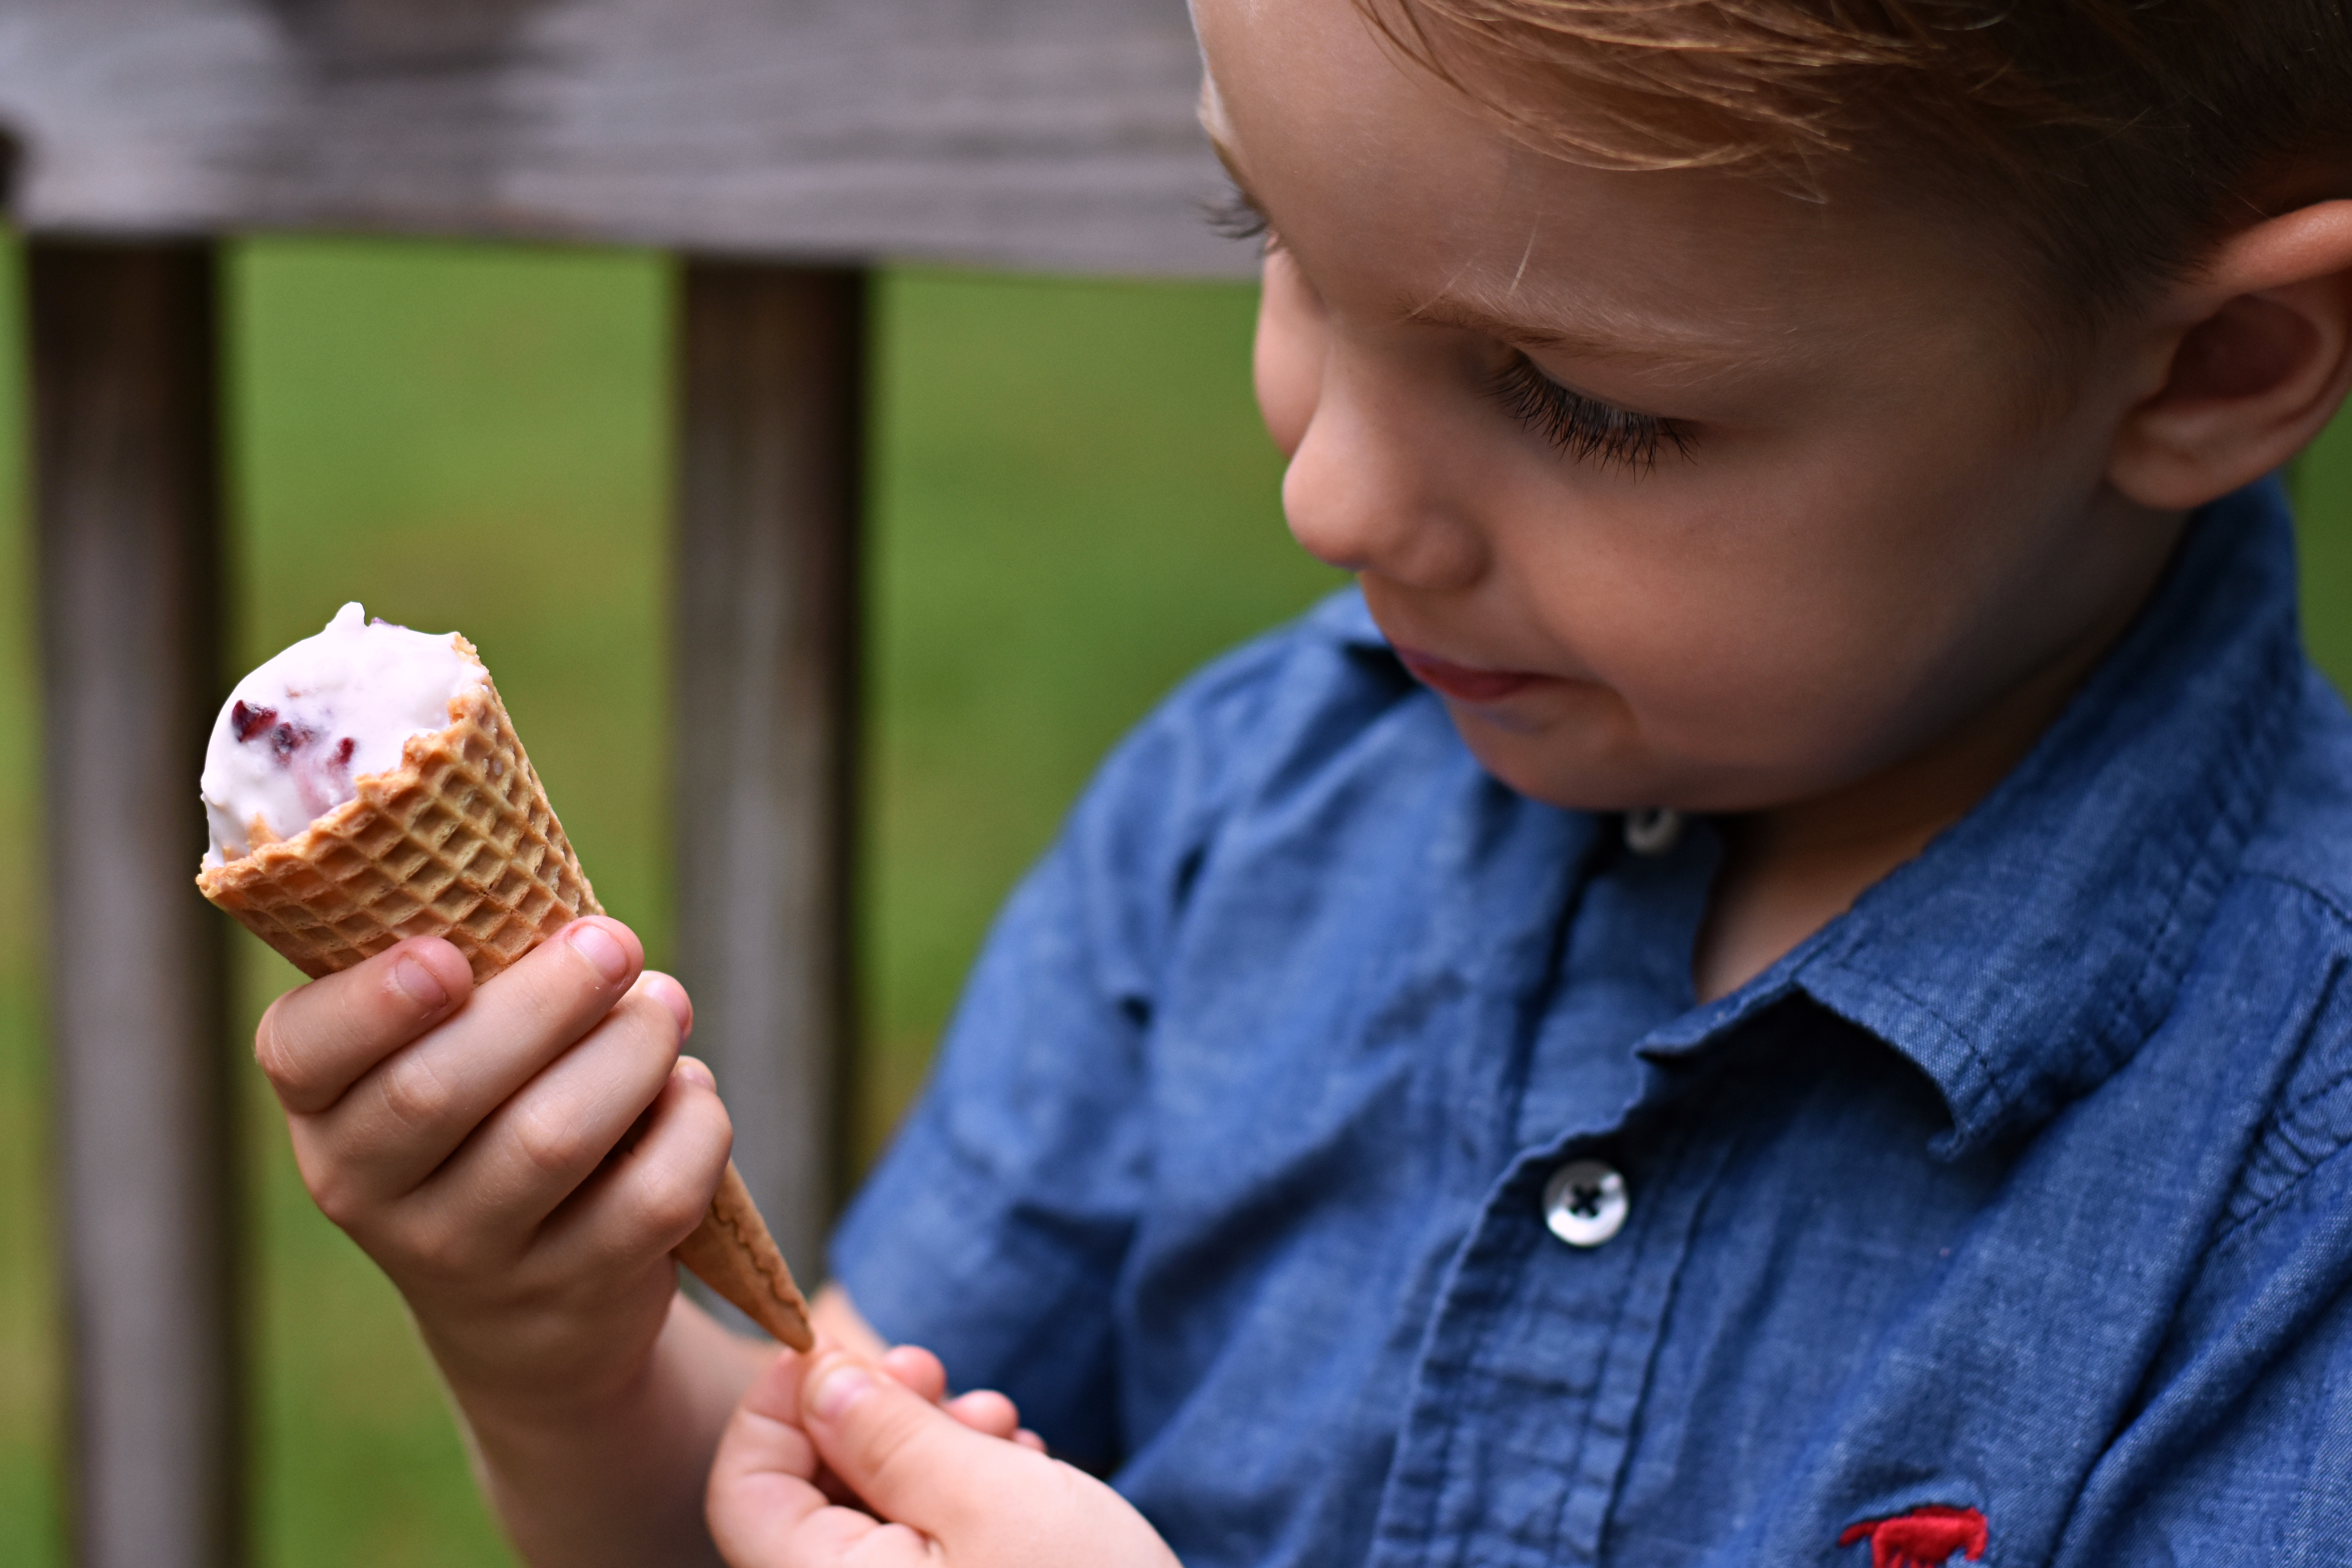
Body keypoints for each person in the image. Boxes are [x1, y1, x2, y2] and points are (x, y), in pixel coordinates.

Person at [251, 0, 2352, 1563]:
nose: (1327, 487)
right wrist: (577, 1361)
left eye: (1577, 400)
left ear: (2212, 369)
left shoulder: (2293, 1179)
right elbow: (815, 1474)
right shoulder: (1251, 819)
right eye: (1264, 226)